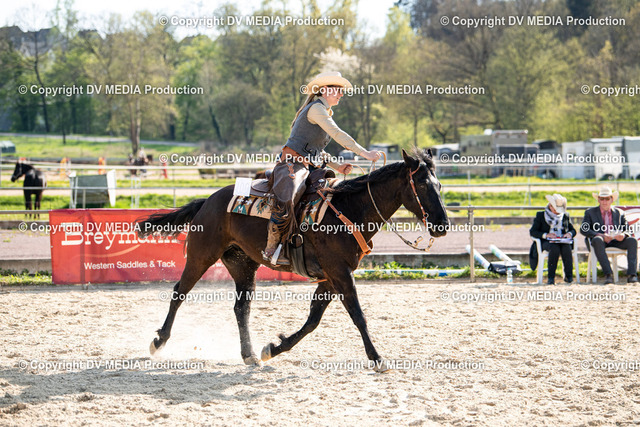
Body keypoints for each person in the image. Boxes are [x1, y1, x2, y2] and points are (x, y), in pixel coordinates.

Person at [262, 71, 384, 265]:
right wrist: (365, 154)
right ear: (325, 90)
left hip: (308, 166)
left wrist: (338, 166)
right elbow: (338, 134)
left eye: (342, 90)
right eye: (338, 90)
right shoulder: (316, 109)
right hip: (292, 164)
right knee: (288, 197)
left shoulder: (322, 111)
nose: (341, 94)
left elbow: (317, 151)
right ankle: (272, 247)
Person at [581, 187, 638, 284]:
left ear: (612, 199)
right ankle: (608, 275)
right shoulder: (590, 212)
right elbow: (583, 229)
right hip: (600, 242)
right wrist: (601, 235)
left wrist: (623, 235)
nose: (604, 201)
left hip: (616, 241)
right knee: (597, 240)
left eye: (607, 198)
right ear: (598, 200)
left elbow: (627, 229)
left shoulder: (619, 213)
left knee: (632, 241)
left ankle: (632, 275)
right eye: (602, 198)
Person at [529, 194, 576, 284]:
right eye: (555, 210)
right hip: (547, 242)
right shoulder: (541, 215)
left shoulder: (565, 215)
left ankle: (569, 276)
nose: (557, 212)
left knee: (567, 248)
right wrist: (546, 235)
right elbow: (533, 231)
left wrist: (569, 234)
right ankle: (551, 277)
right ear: (550, 206)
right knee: (554, 248)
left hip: (562, 241)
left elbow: (573, 230)